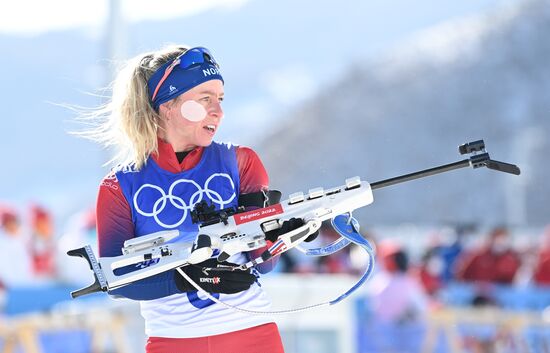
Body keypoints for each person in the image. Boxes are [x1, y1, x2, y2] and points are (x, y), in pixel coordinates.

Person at [83, 45, 314, 353]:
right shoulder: (118, 187)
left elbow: (265, 263)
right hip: (172, 342)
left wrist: (273, 233)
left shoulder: (242, 162)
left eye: (220, 99)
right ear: (167, 104)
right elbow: (116, 281)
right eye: (205, 99)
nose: (218, 111)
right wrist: (185, 278)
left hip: (252, 335)